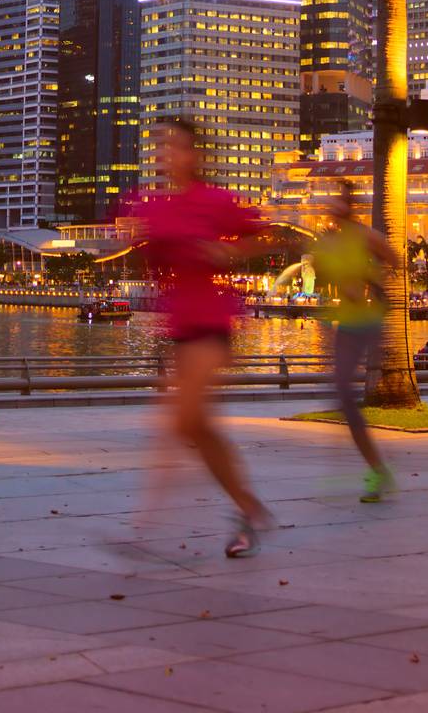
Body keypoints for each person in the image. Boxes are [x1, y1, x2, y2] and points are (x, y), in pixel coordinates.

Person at [132, 117, 271, 558]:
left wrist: (228, 250)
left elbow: (266, 236)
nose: (167, 154)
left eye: (177, 146)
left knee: (177, 422)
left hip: (213, 322)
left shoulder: (215, 201)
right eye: (163, 147)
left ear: (197, 155)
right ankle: (249, 509)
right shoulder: (155, 207)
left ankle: (142, 528)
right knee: (199, 428)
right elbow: (145, 260)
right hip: (178, 327)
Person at [312, 182, 398, 502]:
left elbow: (396, 261)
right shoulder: (326, 244)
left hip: (369, 320)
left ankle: (378, 469)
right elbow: (322, 284)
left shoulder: (365, 237)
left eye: (339, 199)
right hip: (346, 323)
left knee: (345, 393)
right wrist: (324, 326)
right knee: (344, 396)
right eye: (330, 200)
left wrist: (370, 281)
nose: (332, 205)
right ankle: (377, 468)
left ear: (350, 204)